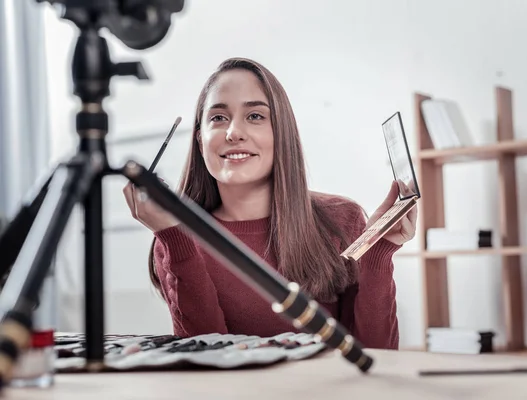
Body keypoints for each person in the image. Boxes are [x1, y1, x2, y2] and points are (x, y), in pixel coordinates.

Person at [122, 57, 418, 350]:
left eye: (255, 116)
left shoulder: (342, 220)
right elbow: (207, 360)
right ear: (200, 141)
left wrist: (378, 253)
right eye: (218, 118)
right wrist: (174, 238)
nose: (233, 132)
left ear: (281, 134)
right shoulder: (176, 238)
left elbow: (375, 355)